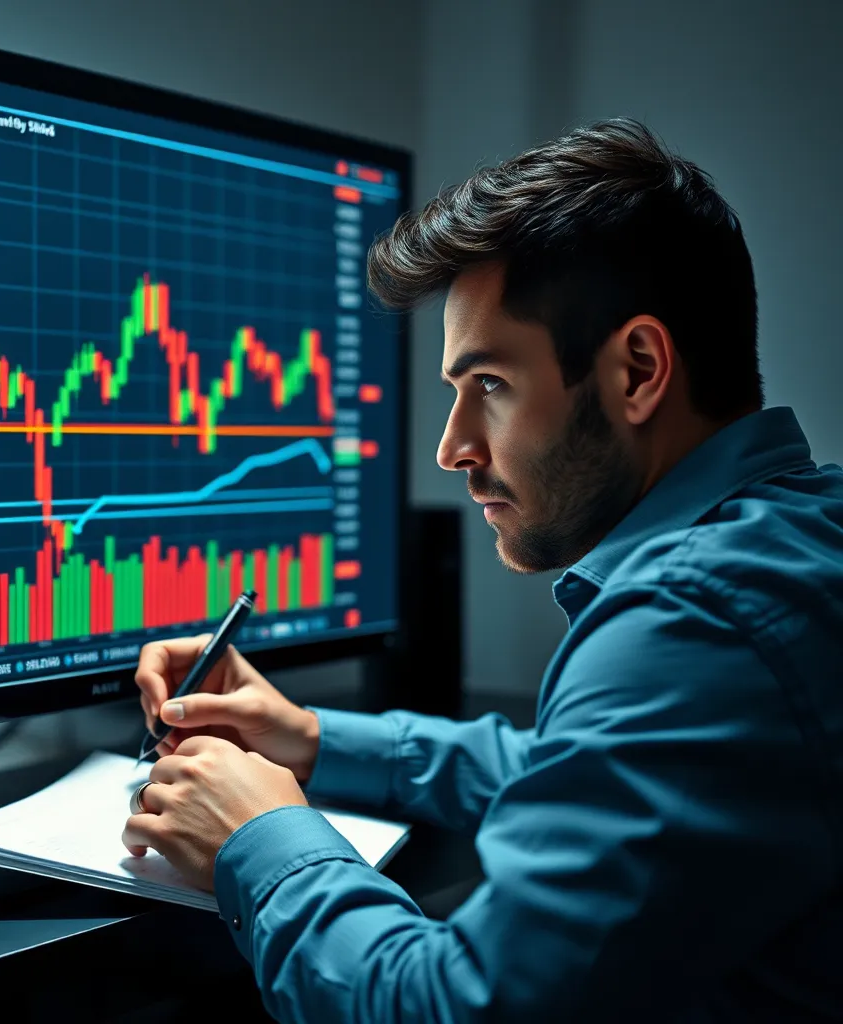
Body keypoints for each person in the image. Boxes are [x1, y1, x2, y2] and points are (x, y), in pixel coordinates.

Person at [122, 118, 843, 1022]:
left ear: (638, 370)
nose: (452, 447)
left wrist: (260, 837)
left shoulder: (696, 618)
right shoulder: (803, 534)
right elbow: (582, 770)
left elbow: (453, 1008)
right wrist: (310, 738)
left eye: (490, 385)